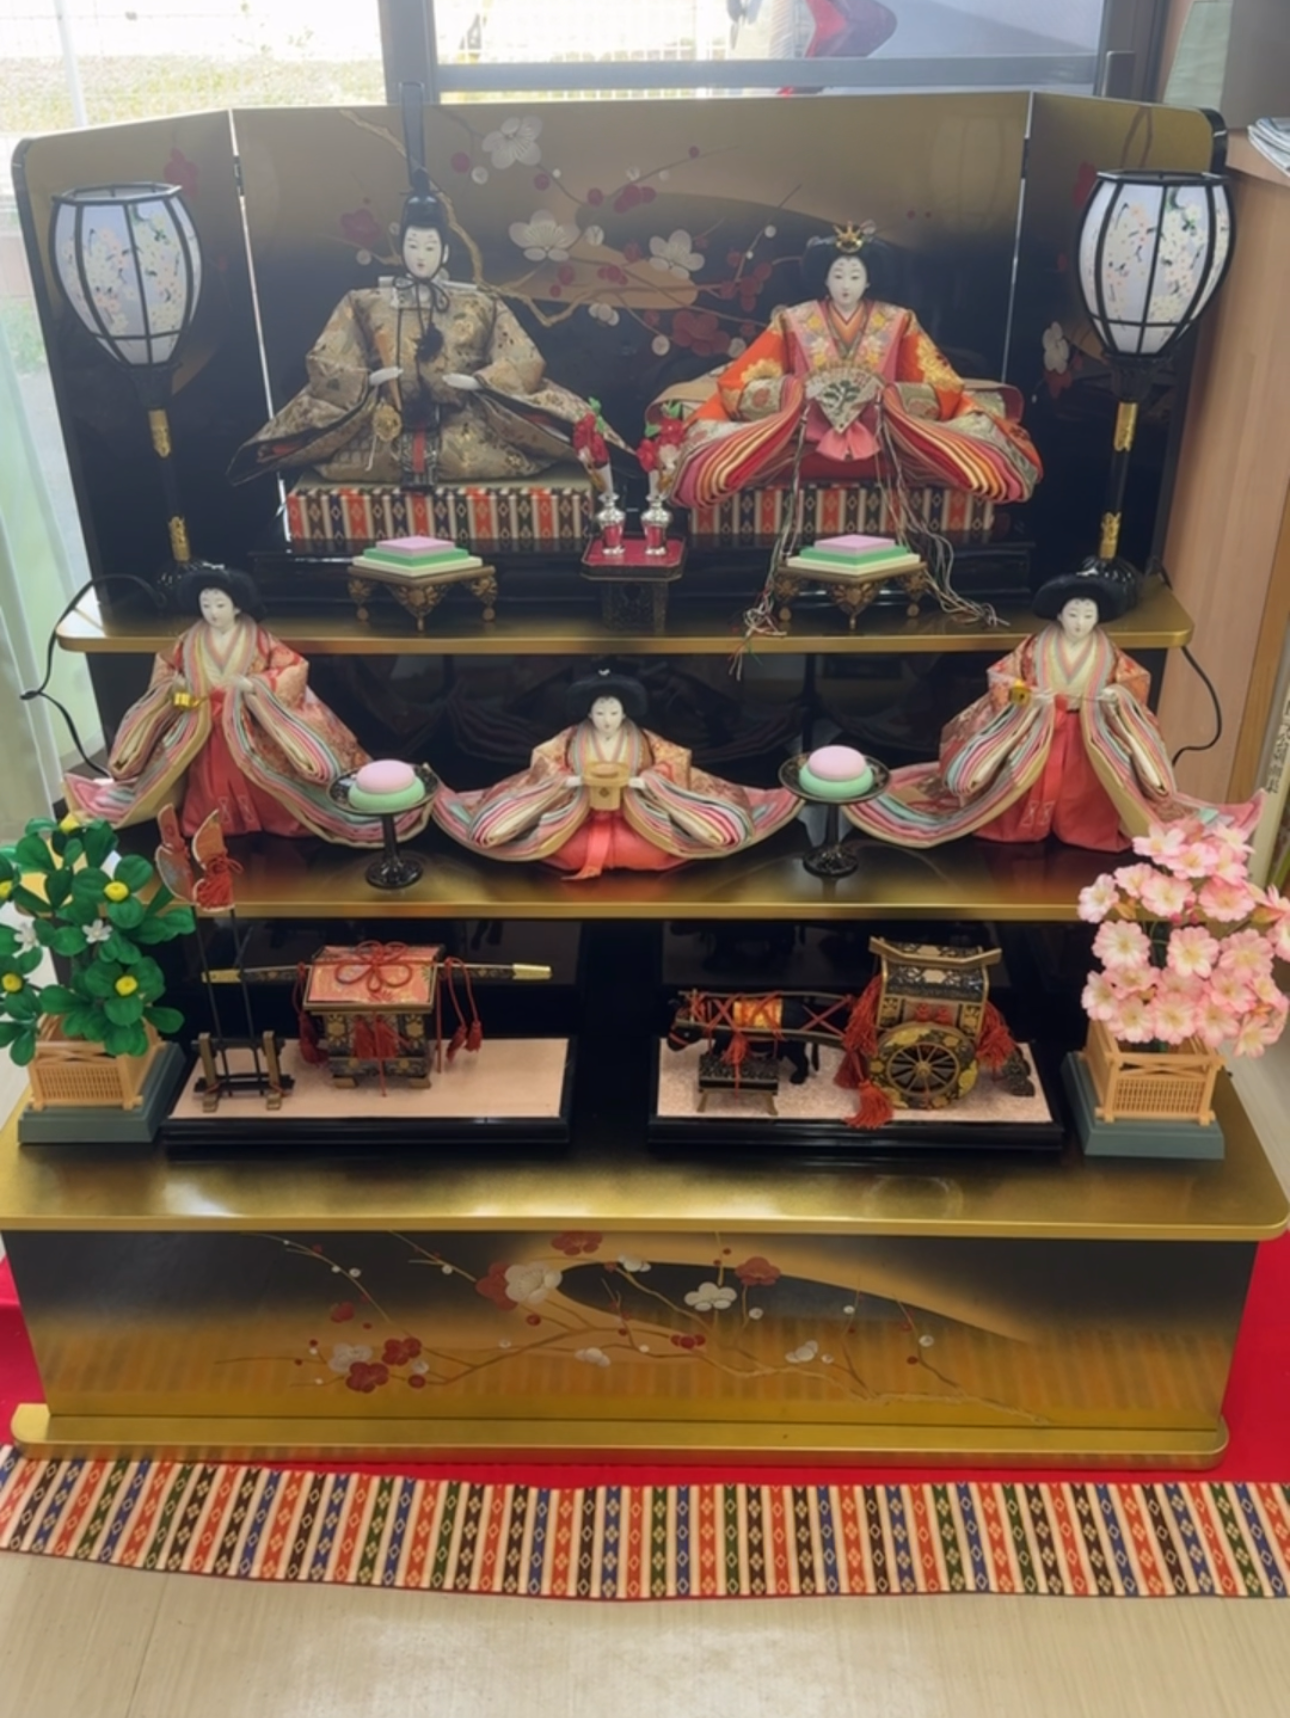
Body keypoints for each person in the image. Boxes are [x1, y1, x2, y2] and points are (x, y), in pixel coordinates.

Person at [229, 182, 618, 488]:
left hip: (466, 425)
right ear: (401, 248)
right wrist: (367, 381)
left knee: (526, 447)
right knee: (348, 459)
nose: (421, 254)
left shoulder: (481, 304)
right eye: (412, 244)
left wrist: (481, 382)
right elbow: (326, 359)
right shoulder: (364, 302)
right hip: (380, 427)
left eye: (430, 246)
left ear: (445, 253)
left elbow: (523, 360)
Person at [843, 569, 1261, 851]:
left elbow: (1134, 682)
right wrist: (1030, 697)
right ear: (1060, 613)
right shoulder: (1035, 647)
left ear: (1098, 618)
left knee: (1084, 796)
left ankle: (1084, 830)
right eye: (1074, 614)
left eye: (1088, 615)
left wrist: (1117, 697)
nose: (1080, 622)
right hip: (1035, 733)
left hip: (1089, 738)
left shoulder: (1107, 653)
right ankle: (1012, 825)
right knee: (1020, 786)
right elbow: (1002, 680)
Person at [666, 223, 1042, 512]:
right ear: (824, 278)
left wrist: (890, 398)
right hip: (805, 430)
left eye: (855, 276)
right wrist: (796, 393)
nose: (846, 285)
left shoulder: (899, 321)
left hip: (884, 427)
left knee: (980, 454)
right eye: (838, 275)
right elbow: (737, 385)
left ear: (869, 279)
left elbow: (943, 387)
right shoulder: (793, 322)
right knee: (714, 462)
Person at [64, 566, 432, 848]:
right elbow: (166, 674)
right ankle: (207, 823)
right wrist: (177, 689)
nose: (212, 612)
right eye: (206, 605)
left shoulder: (258, 638)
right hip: (202, 728)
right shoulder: (189, 641)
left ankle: (269, 818)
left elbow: (292, 668)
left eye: (219, 605)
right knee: (207, 783)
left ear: (237, 605)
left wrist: (256, 686)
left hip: (250, 725)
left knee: (264, 782)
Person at [432, 669, 800, 879]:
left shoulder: (643, 738)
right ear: (588, 713)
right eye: (600, 713)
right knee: (561, 851)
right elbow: (544, 762)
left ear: (625, 713)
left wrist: (647, 781)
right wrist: (568, 781)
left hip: (636, 818)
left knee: (655, 852)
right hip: (576, 820)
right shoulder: (571, 738)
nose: (607, 720)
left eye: (613, 713)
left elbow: (674, 759)